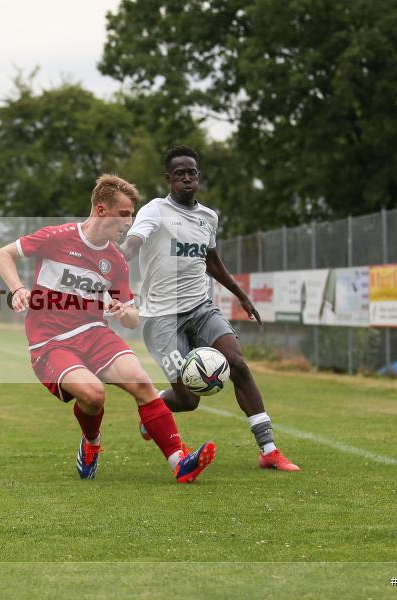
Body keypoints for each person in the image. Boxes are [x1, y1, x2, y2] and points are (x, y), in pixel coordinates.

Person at [0, 174, 216, 483]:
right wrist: (17, 289)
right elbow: (2, 254)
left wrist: (125, 310)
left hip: (95, 334)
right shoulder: (57, 237)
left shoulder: (116, 261)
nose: (129, 223)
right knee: (94, 396)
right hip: (51, 342)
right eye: (123, 215)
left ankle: (180, 462)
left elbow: (132, 318)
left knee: (141, 381)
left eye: (132, 216)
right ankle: (92, 443)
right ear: (100, 210)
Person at [119, 145, 300, 472]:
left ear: (198, 176)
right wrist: (119, 259)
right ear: (168, 179)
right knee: (189, 400)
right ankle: (156, 405)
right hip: (162, 319)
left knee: (238, 364)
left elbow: (210, 260)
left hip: (201, 308)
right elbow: (134, 241)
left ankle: (269, 450)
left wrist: (240, 294)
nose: (187, 179)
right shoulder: (155, 211)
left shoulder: (208, 217)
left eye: (192, 173)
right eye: (179, 174)